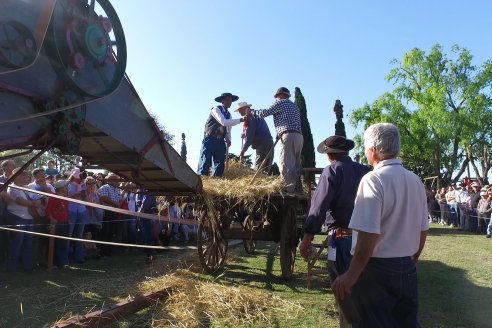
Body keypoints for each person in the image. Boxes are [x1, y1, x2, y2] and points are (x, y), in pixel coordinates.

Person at [332, 123, 429, 327]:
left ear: (373, 150)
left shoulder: (373, 179)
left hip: (377, 270)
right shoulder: (415, 180)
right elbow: (423, 229)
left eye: (366, 149)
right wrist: (414, 259)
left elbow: (368, 234)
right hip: (406, 267)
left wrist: (351, 275)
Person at [299, 135, 370, 326]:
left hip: (339, 239)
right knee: (362, 289)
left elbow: (319, 206)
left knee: (342, 290)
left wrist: (307, 237)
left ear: (330, 155)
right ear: (346, 151)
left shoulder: (332, 171)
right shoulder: (366, 171)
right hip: (366, 239)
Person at [246, 87, 303, 192]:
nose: (276, 99)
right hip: (299, 136)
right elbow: (289, 120)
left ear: (280, 95)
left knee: (285, 163)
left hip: (288, 135)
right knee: (295, 164)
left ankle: (287, 190)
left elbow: (265, 113)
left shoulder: (280, 103)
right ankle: (297, 188)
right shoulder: (295, 106)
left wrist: (252, 112)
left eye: (277, 96)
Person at [197, 92, 244, 176]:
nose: (230, 102)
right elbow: (224, 122)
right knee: (205, 160)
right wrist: (241, 120)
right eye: (228, 100)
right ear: (222, 101)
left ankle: (217, 179)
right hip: (210, 138)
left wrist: (228, 138)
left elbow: (228, 129)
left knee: (219, 162)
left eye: (231, 101)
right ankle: (202, 178)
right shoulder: (216, 109)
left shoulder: (229, 115)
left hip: (220, 140)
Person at [6, 168, 43, 272]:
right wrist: (33, 204)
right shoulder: (12, 187)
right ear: (16, 176)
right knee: (16, 243)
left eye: (25, 174)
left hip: (29, 218)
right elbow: (19, 200)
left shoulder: (28, 187)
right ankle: (12, 267)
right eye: (23, 174)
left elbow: (38, 198)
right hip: (17, 218)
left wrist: (38, 202)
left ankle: (27, 266)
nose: (25, 176)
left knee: (28, 243)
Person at [236, 101, 274, 173]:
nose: (239, 112)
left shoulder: (250, 117)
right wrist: (245, 133)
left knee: (259, 171)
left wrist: (243, 150)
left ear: (245, 108)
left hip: (262, 144)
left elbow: (250, 135)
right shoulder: (256, 114)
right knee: (266, 169)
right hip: (269, 142)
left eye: (240, 110)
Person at [45, 180, 70, 268]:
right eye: (66, 187)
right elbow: (48, 210)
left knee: (63, 243)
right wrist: (52, 219)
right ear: (61, 188)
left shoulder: (66, 197)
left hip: (65, 222)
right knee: (55, 243)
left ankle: (62, 262)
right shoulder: (54, 197)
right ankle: (54, 263)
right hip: (57, 223)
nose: (67, 188)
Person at [67, 168, 88, 263]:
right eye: (79, 176)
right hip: (71, 210)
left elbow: (85, 197)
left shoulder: (83, 185)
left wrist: (83, 194)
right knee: (69, 235)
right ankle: (65, 258)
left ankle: (79, 257)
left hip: (82, 211)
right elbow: (64, 197)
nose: (80, 179)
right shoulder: (67, 185)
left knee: (79, 235)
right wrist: (75, 195)